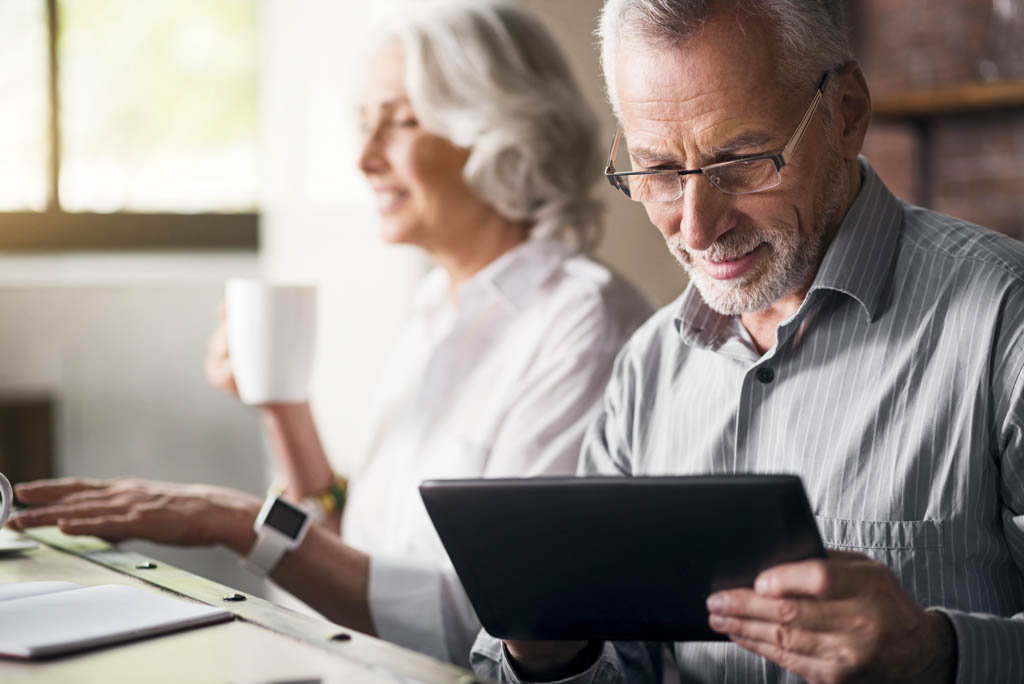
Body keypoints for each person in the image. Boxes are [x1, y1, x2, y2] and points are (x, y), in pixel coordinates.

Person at [8, 0, 652, 668]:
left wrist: (233, 520)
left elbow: (498, 625)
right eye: (364, 124)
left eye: (401, 121)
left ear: (502, 130)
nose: (366, 158)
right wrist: (283, 407)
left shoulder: (584, 327)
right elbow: (356, 552)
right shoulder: (439, 304)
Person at [469, 0, 1024, 682]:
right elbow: (626, 664)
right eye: (659, 171)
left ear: (847, 112)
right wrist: (553, 655)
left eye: (741, 162)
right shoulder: (648, 369)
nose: (697, 229)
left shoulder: (1005, 323)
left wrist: (938, 653)